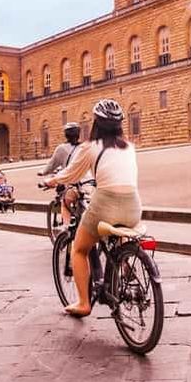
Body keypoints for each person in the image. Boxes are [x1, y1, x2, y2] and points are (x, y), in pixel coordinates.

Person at [43, 99, 141, 317]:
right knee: (119, 232)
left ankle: (83, 303)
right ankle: (125, 267)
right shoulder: (129, 147)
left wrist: (51, 181)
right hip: (134, 205)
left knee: (79, 249)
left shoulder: (90, 147)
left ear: (96, 123)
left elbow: (70, 174)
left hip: (106, 203)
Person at [38, 123, 82, 226]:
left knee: (65, 204)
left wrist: (42, 172)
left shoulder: (61, 148)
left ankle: (65, 231)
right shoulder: (84, 147)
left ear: (66, 135)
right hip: (89, 183)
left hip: (72, 182)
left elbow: (51, 165)